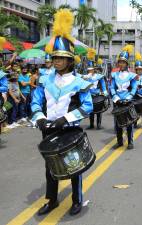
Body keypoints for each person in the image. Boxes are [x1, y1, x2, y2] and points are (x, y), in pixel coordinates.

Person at [31, 9, 93, 216]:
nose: (57, 61)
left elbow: (87, 106)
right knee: (50, 167)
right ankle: (52, 200)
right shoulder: (44, 78)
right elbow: (36, 102)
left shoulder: (79, 82)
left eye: (61, 58)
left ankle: (77, 200)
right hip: (48, 129)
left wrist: (66, 119)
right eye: (55, 57)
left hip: (69, 130)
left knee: (74, 167)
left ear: (70, 60)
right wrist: (40, 118)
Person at [110, 44, 137, 150]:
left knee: (129, 122)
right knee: (117, 123)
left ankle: (130, 142)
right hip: (117, 101)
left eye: (123, 62)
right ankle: (119, 141)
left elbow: (134, 88)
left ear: (126, 63)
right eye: (120, 62)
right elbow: (112, 87)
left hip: (127, 100)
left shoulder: (131, 75)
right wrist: (116, 98)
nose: (121, 64)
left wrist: (128, 98)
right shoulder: (114, 75)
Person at [84, 60, 108, 130]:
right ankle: (91, 124)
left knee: (99, 110)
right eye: (89, 70)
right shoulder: (86, 77)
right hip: (89, 95)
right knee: (91, 111)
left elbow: (103, 85)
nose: (90, 71)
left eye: (91, 70)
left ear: (94, 70)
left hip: (98, 95)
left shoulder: (99, 76)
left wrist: (105, 93)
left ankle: (98, 124)